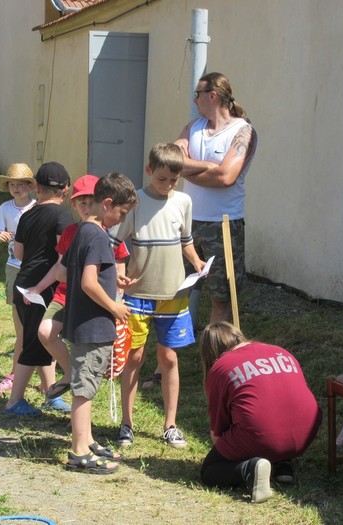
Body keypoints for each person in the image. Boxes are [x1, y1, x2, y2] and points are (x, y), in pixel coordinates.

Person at [110, 143, 205, 449]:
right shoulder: (135, 203)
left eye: (174, 180)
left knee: (169, 357)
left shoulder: (184, 202)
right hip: (137, 294)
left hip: (173, 295)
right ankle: (127, 424)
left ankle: (170, 425)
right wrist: (119, 274)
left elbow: (186, 241)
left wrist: (197, 262)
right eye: (162, 178)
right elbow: (117, 244)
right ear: (149, 170)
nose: (168, 185)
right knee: (134, 356)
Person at [60, 172, 138, 474]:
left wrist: (113, 278)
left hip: (84, 322)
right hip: (92, 326)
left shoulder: (83, 230)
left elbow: (74, 271)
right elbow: (88, 283)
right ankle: (79, 452)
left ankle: (87, 440)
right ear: (106, 204)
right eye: (122, 212)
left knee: (87, 384)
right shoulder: (97, 236)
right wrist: (114, 306)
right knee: (84, 388)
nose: (122, 219)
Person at [198, 321, 322, 503]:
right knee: (273, 414)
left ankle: (250, 469)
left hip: (264, 436)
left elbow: (218, 432)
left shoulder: (220, 368)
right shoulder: (279, 351)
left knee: (209, 471)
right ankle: (283, 464)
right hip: (308, 432)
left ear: (209, 352)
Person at [32, 174, 130, 400]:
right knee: (45, 332)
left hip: (93, 302)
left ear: (101, 202)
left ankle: (75, 378)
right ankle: (70, 373)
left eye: (90, 201)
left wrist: (116, 281)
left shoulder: (109, 233)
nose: (86, 207)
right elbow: (61, 270)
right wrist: (38, 288)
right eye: (81, 202)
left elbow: (116, 266)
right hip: (66, 295)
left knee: (84, 384)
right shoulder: (71, 232)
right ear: (73, 204)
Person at [174, 72, 258, 327]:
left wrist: (187, 169)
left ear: (212, 96)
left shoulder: (242, 132)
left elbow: (225, 177)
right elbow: (171, 160)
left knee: (222, 298)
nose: (194, 100)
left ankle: (216, 348)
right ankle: (171, 350)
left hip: (223, 226)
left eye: (197, 95)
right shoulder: (193, 127)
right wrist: (208, 166)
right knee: (176, 290)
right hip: (188, 224)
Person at [3, 162, 74, 416]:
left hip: (22, 284)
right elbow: (63, 257)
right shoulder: (63, 216)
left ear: (37, 188)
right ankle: (14, 402)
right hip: (42, 289)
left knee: (40, 341)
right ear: (66, 189)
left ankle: (50, 394)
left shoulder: (27, 215)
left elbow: (19, 253)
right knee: (35, 343)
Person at [0, 163, 36, 394]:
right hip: (14, 267)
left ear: (30, 186)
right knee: (18, 314)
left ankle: (38, 373)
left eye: (20, 185)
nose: (16, 189)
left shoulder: (37, 207)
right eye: (12, 185)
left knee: (35, 320)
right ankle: (17, 369)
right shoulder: (5, 208)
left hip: (34, 268)